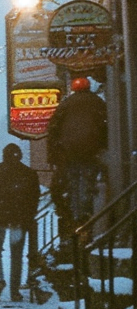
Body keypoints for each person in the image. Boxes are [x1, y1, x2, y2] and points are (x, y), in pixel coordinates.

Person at [0, 143, 41, 302]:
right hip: (18, 219)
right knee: (17, 254)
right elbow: (34, 198)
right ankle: (15, 290)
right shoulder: (28, 174)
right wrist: (27, 214)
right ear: (19, 155)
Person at [46, 76, 107, 225]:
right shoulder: (97, 102)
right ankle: (87, 214)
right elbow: (105, 124)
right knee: (90, 180)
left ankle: (74, 216)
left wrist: (53, 155)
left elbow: (53, 127)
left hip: (69, 152)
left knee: (73, 182)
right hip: (92, 150)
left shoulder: (66, 104)